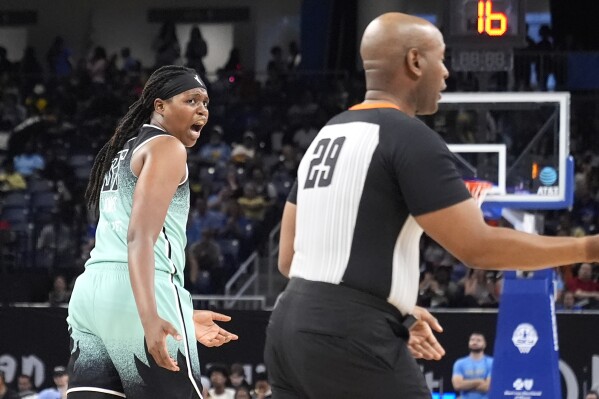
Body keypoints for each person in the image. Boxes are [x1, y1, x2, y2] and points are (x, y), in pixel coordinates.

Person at [264, 12, 599, 399]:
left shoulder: (327, 135)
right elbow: (478, 248)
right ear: (415, 61)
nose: (446, 73)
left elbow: (287, 259)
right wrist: (586, 248)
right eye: (441, 58)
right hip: (348, 333)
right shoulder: (409, 136)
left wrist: (397, 310)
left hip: (287, 329)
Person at [66, 65, 238, 399]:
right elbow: (140, 237)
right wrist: (151, 316)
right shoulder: (167, 147)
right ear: (159, 106)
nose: (202, 109)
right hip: (142, 290)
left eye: (205, 103)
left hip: (91, 295)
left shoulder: (123, 152)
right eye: (191, 100)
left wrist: (183, 316)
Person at [451, 333, 493, 399]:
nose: (475, 342)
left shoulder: (491, 362)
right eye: (472, 340)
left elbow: (488, 387)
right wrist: (479, 381)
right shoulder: (459, 363)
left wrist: (466, 385)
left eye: (478, 340)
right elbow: (457, 385)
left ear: (484, 344)